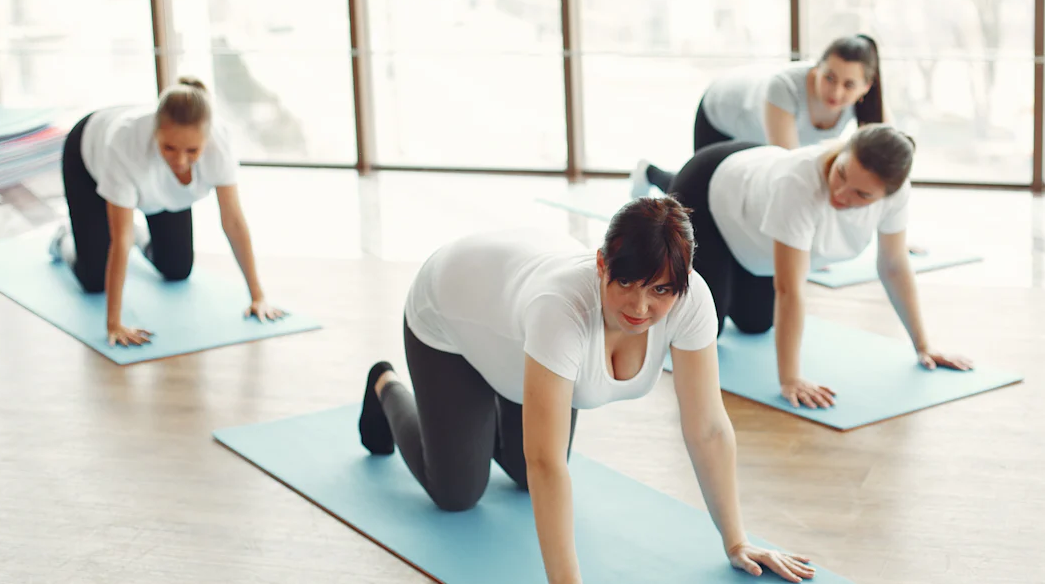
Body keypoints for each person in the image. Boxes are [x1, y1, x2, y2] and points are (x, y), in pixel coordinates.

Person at [356, 198, 816, 583]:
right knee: (457, 492)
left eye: (659, 290)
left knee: (520, 476)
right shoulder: (561, 311)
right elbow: (547, 461)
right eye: (626, 284)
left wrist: (736, 540)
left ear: (682, 281)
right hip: (453, 311)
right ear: (602, 264)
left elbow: (709, 428)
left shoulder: (691, 300)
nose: (640, 306)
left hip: (514, 318)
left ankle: (480, 406)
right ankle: (385, 385)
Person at [661, 124, 973, 411]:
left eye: (861, 194)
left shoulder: (895, 193)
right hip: (708, 187)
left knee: (755, 323)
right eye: (841, 174)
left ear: (886, 194)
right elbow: (789, 288)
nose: (840, 194)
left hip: (753, 219)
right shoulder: (798, 184)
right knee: (704, 331)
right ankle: (659, 178)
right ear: (842, 151)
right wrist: (790, 379)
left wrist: (924, 346)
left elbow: (893, 265)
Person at [48, 76, 286, 347]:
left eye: (192, 150)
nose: (181, 161)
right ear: (156, 132)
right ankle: (63, 238)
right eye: (169, 147)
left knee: (177, 268)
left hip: (154, 187)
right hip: (88, 153)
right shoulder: (124, 144)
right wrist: (114, 324)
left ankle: (141, 234)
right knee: (93, 279)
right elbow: (121, 239)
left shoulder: (219, 143)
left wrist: (257, 296)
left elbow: (232, 221)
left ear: (207, 139)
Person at [632, 35, 884, 197]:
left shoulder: (870, 104)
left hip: (761, 131)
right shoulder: (783, 87)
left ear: (866, 86)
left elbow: (887, 168)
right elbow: (789, 168)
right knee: (699, 193)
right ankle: (649, 173)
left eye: (849, 85)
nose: (836, 91)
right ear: (816, 68)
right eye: (829, 77)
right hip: (723, 112)